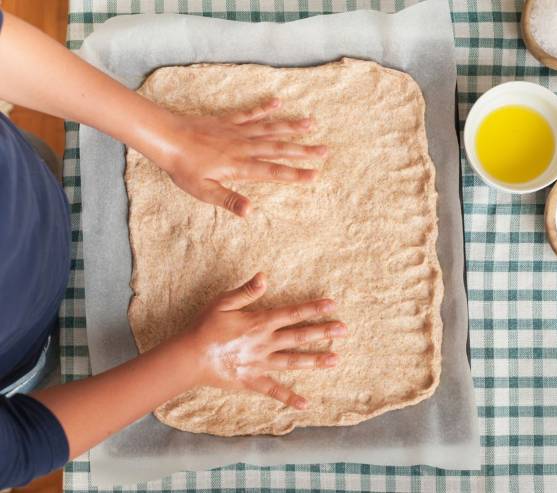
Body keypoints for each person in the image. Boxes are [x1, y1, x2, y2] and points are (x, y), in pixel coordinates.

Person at [0, 10, 348, 488]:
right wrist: (198, 357)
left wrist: (166, 136)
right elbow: (16, 445)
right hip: (20, 353)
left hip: (32, 189)